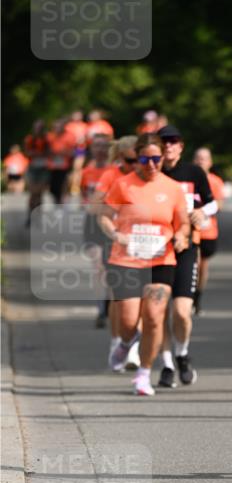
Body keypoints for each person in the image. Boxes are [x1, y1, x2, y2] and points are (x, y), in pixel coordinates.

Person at [97, 133, 190, 396]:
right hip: (126, 260)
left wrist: (182, 236)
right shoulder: (123, 185)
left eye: (156, 159)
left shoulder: (172, 188)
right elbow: (104, 216)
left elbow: (182, 222)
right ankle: (125, 344)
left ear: (163, 158)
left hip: (161, 260)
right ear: (137, 158)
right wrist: (116, 234)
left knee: (154, 318)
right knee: (128, 322)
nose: (151, 164)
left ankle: (144, 373)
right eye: (145, 159)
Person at [156, 124, 217, 388]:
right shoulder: (151, 172)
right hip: (155, 249)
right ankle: (167, 363)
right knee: (158, 310)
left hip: (186, 247)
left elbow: (211, 201)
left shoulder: (193, 172)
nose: (168, 145)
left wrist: (204, 213)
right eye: (163, 141)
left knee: (181, 312)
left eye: (173, 141)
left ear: (181, 146)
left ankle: (182, 353)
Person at [93, 136, 140, 367]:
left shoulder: (146, 175)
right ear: (121, 158)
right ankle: (116, 341)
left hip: (142, 240)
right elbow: (95, 207)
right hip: (114, 239)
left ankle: (133, 347)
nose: (136, 164)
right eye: (131, 160)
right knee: (117, 295)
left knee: (140, 294)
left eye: (138, 159)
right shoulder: (110, 176)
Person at [80, 135, 114, 328]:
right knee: (98, 265)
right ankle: (101, 308)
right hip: (92, 223)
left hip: (110, 221)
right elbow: (84, 195)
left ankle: (108, 302)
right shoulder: (87, 172)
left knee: (110, 268)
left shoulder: (115, 172)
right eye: (97, 146)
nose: (100, 150)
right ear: (92, 150)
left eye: (104, 146)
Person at [192, 147, 225, 314]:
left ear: (210, 162)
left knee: (202, 267)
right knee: (194, 263)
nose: (200, 161)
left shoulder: (215, 181)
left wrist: (204, 211)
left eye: (204, 158)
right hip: (191, 230)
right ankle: (189, 297)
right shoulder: (189, 180)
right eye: (198, 158)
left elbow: (220, 204)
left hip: (208, 231)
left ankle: (197, 297)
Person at [24, 120, 50, 219]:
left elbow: (49, 153)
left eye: (40, 128)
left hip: (43, 169)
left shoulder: (46, 140)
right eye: (36, 128)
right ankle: (30, 214)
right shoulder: (30, 139)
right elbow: (27, 153)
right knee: (33, 193)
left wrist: (37, 153)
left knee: (39, 194)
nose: (38, 130)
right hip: (32, 169)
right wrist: (37, 154)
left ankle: (38, 215)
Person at [46, 118, 77, 204]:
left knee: (62, 184)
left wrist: (64, 153)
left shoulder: (70, 136)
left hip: (65, 165)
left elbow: (74, 151)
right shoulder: (49, 136)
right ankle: (57, 199)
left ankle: (62, 201)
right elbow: (45, 150)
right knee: (53, 187)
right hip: (52, 165)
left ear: (63, 127)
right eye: (55, 127)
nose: (57, 129)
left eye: (59, 127)